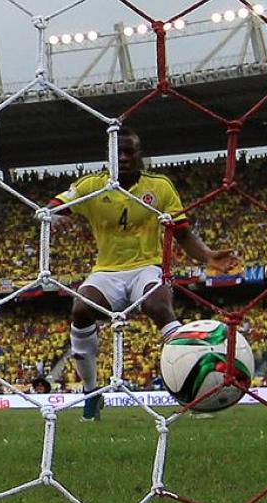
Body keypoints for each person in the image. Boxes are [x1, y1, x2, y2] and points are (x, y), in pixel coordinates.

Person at [49, 127, 239, 421]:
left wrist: (208, 256)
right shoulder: (91, 186)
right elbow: (53, 206)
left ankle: (193, 396)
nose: (123, 157)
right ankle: (91, 393)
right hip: (107, 272)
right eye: (118, 152)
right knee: (81, 308)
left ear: (140, 156)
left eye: (130, 152)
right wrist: (53, 215)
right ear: (108, 156)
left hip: (148, 267)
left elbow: (183, 232)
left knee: (158, 307)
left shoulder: (160, 187)